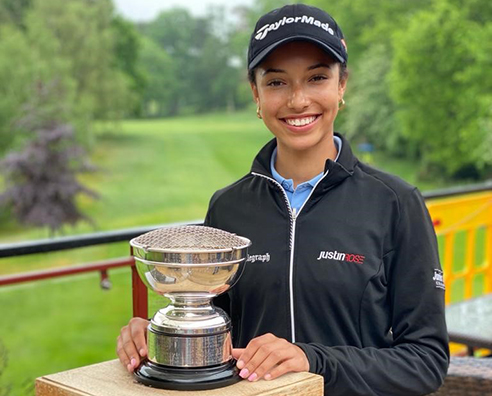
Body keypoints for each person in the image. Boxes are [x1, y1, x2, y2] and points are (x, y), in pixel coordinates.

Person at [117, 4, 449, 395]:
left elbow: (426, 361)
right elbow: (214, 340)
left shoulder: (396, 203)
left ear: (341, 86)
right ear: (255, 94)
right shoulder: (227, 208)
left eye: (317, 78)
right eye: (276, 83)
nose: (297, 100)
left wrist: (313, 360)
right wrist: (161, 338)